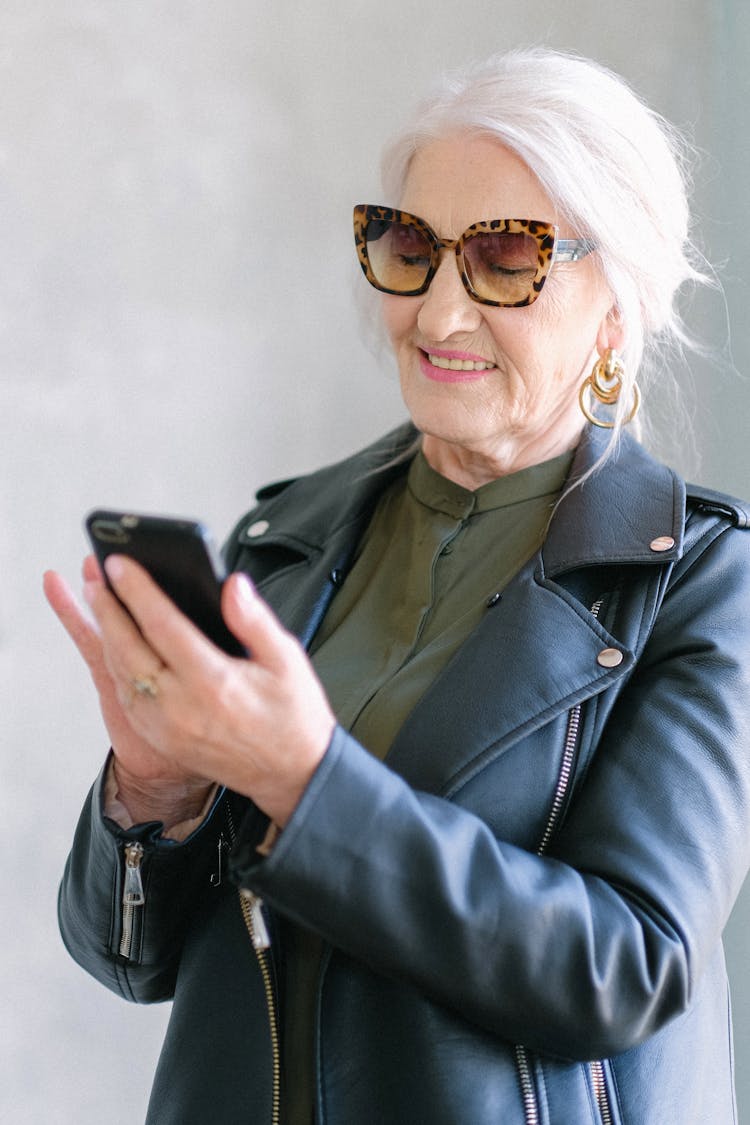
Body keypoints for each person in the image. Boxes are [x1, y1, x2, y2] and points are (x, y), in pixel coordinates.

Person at [45, 47, 750, 1125]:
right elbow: (129, 960)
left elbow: (626, 969)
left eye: (509, 258)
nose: (438, 314)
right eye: (411, 246)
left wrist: (306, 782)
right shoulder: (285, 539)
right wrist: (156, 789)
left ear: (618, 308)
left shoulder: (704, 580)